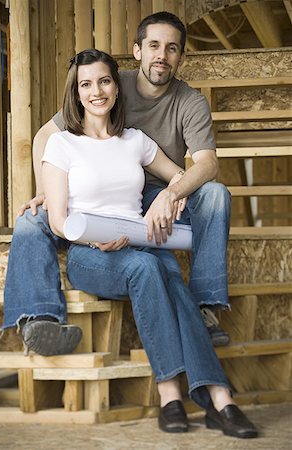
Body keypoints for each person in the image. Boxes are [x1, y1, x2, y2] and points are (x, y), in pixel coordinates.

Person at [41, 48, 257, 438]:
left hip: (140, 242)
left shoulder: (134, 141)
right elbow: (58, 220)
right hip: (90, 254)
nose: (96, 91)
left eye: (104, 81)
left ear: (116, 88)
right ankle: (170, 392)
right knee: (147, 267)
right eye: (85, 85)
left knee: (167, 272)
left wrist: (168, 195)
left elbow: (184, 179)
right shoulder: (62, 145)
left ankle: (221, 398)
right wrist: (95, 239)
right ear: (75, 93)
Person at [19, 11, 231, 347]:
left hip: (159, 192)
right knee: (30, 221)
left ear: (181, 56)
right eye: (154, 46)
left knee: (216, 194)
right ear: (138, 51)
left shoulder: (190, 102)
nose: (162, 55)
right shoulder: (111, 86)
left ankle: (205, 306)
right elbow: (46, 134)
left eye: (172, 48)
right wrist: (45, 190)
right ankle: (40, 319)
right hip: (95, 191)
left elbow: (207, 165)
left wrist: (172, 193)